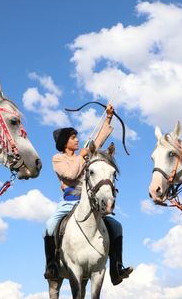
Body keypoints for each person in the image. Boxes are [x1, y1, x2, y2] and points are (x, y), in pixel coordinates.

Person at [43, 104, 133, 285]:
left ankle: (116, 268)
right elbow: (70, 174)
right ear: (64, 142)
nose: (77, 141)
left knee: (116, 227)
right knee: (50, 225)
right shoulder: (58, 158)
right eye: (73, 138)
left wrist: (108, 118)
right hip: (70, 202)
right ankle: (52, 265)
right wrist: (82, 156)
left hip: (90, 203)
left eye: (76, 138)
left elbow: (98, 140)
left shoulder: (84, 156)